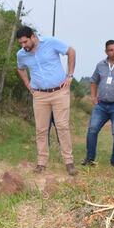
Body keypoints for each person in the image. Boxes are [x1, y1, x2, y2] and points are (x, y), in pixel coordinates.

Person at [15, 26, 78, 176]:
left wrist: (70, 75)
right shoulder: (21, 54)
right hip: (39, 95)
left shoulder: (51, 42)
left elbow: (71, 52)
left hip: (59, 92)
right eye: (20, 43)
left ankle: (69, 163)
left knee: (62, 127)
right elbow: (20, 68)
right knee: (41, 130)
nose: (23, 46)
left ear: (33, 36)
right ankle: (41, 163)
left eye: (25, 42)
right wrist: (27, 84)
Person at [82, 40, 114, 167]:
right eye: (111, 50)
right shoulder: (100, 65)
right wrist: (93, 96)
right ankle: (90, 158)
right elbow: (93, 81)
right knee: (92, 130)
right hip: (101, 105)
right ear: (106, 51)